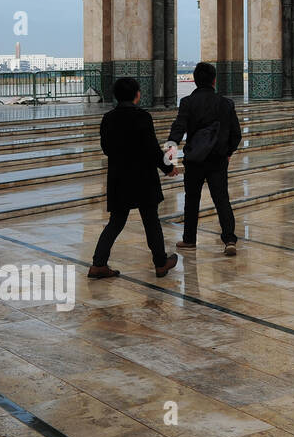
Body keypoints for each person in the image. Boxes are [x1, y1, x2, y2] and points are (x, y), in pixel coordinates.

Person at [88, 77, 180, 280]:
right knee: (151, 220)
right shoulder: (142, 117)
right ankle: (160, 263)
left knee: (116, 222)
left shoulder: (108, 118)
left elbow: (106, 149)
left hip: (119, 177)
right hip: (143, 177)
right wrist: (167, 168)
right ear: (137, 94)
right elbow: (152, 148)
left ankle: (98, 264)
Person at [168, 61, 242, 256]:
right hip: (217, 159)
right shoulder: (225, 103)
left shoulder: (187, 103)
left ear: (194, 80)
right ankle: (229, 239)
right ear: (214, 80)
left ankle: (189, 239)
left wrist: (169, 160)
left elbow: (177, 130)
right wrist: (228, 153)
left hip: (194, 159)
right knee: (222, 199)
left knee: (192, 199)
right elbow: (236, 134)